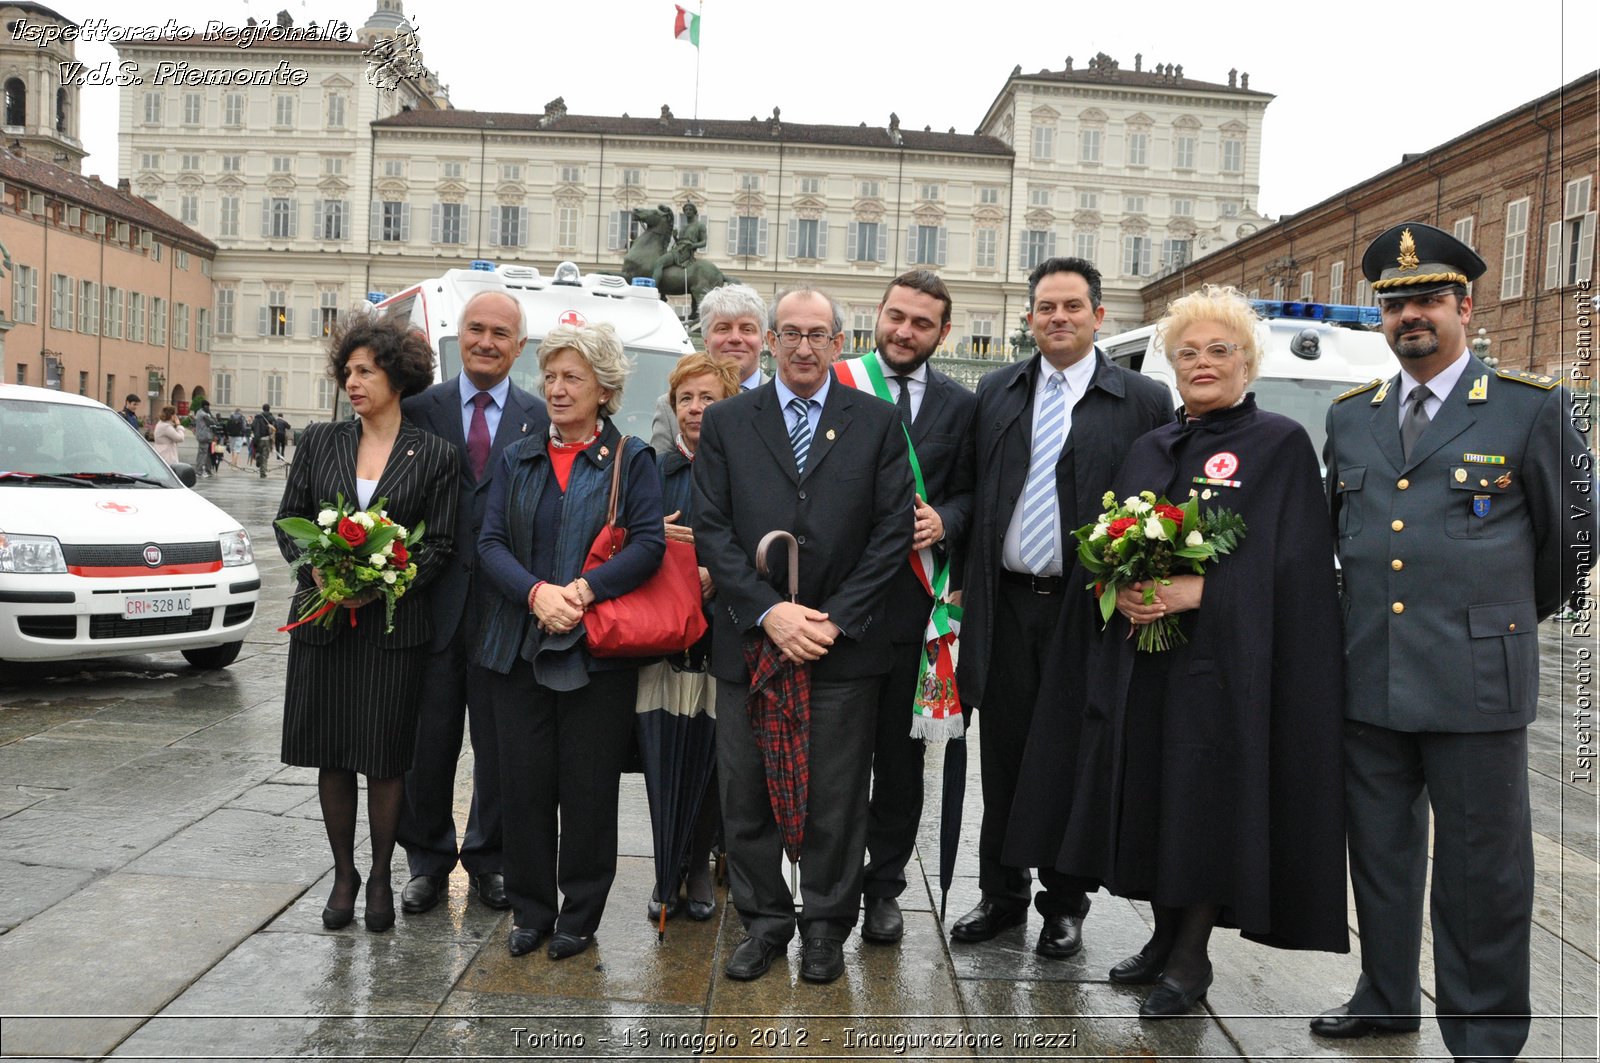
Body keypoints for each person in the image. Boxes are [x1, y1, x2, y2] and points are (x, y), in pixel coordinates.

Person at [1314, 222, 1594, 1061]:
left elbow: (1573, 541)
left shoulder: (1529, 406)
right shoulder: (1351, 418)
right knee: (1381, 854)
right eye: (1396, 303)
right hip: (1371, 671)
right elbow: (1344, 538)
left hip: (1476, 680)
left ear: (1465, 305)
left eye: (1429, 299)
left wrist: (1498, 621)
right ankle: (1387, 992)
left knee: (1483, 873)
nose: (1412, 316)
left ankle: (1482, 1033)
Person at [1050, 285, 1348, 1018]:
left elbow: (1297, 566)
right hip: (1142, 664)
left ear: (1247, 362)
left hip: (1223, 671)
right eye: (1189, 352)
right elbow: (1108, 542)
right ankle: (1159, 938)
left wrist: (1200, 593)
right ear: (1171, 364)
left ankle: (1191, 958)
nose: (1204, 362)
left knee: (1204, 805)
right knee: (1148, 797)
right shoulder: (1149, 446)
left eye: (1221, 350)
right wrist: (1115, 588)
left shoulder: (1278, 444)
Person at [693, 285, 914, 985]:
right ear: (769, 341)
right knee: (747, 792)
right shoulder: (729, 421)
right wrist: (770, 612)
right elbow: (712, 529)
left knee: (837, 797)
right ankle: (764, 923)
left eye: (818, 334)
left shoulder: (876, 422)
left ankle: (824, 927)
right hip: (750, 640)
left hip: (839, 646)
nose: (803, 346)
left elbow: (891, 532)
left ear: (839, 343)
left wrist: (832, 617)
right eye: (790, 332)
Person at [957, 257, 1173, 958]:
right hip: (1008, 602)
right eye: (1046, 306)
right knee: (1006, 752)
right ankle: (1000, 892)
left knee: (1076, 756)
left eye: (1072, 306)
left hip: (1091, 610)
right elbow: (974, 487)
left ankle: (1065, 901)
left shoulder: (1140, 398)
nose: (1058, 317)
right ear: (1028, 318)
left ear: (1098, 316)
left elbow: (1163, 502)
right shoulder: (997, 390)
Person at [475, 321, 665, 962]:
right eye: (550, 376)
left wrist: (581, 593)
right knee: (521, 785)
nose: (556, 389)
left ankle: (580, 915)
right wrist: (535, 595)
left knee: (587, 789)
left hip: (594, 655)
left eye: (572, 378)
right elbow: (490, 543)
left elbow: (648, 545)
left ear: (604, 389)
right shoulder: (518, 455)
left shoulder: (631, 458)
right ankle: (531, 910)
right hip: (518, 647)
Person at [275, 316, 460, 935]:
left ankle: (381, 872)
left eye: (365, 372)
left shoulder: (433, 453)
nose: (352, 382)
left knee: (384, 756)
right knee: (333, 754)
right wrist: (322, 576)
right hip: (324, 623)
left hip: (391, 627)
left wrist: (383, 581)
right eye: (347, 372)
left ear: (397, 376)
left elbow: (440, 543)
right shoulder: (321, 442)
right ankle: (342, 873)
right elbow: (289, 522)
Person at [833, 270, 976, 946]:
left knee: (899, 762)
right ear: (878, 314)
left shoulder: (960, 404)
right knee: (833, 758)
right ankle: (828, 883)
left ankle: (884, 888)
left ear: (943, 333)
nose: (904, 331)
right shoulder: (835, 382)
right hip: (834, 609)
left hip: (913, 614)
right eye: (896, 316)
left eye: (922, 323)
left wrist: (944, 519)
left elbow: (977, 492)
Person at [396, 290, 545, 917]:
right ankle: (427, 861)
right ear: (459, 336)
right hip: (431, 606)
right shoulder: (417, 408)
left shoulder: (540, 416)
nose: (487, 342)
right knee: (427, 745)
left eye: (501, 333)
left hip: (504, 610)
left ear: (518, 345)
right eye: (476, 330)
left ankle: (490, 861)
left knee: (499, 745)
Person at [646, 351, 741, 924]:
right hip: (663, 636)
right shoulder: (651, 467)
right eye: (686, 398)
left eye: (708, 398)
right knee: (664, 748)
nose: (696, 409)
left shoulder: (747, 465)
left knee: (712, 752)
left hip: (723, 633)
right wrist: (648, 536)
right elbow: (623, 538)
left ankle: (699, 863)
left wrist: (715, 575)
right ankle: (667, 863)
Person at [650, 284, 768, 453]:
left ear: (763, 340)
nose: (735, 338)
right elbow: (659, 475)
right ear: (706, 340)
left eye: (747, 329)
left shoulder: (782, 402)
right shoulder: (669, 407)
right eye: (723, 328)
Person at [651, 202, 707, 290]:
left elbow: (704, 242)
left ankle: (651, 289)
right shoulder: (684, 226)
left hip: (686, 252)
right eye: (686, 210)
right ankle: (663, 293)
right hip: (678, 249)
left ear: (694, 211)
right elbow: (679, 242)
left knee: (659, 262)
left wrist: (693, 245)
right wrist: (675, 237)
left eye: (690, 210)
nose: (688, 212)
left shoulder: (700, 225)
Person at [192, 402, 216, 477]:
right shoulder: (204, 415)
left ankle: (208, 470)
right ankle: (199, 471)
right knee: (202, 455)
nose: (208, 408)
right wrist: (210, 414)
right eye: (207, 406)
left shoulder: (199, 413)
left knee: (207, 455)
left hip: (204, 437)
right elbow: (213, 422)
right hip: (204, 437)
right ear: (204, 406)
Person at [251, 404, 275, 478]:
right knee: (265, 456)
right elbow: (274, 428)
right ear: (269, 409)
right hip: (267, 439)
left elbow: (252, 426)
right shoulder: (271, 417)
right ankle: (263, 473)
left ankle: (258, 457)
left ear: (262, 409)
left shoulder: (257, 417)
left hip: (258, 439)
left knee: (259, 451)